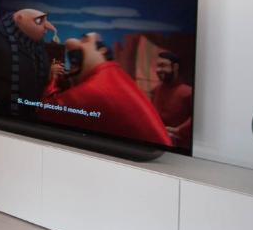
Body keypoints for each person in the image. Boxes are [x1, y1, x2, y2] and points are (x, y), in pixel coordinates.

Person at [39, 33, 172, 147]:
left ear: (101, 51)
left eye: (85, 40)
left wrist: (53, 78)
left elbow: (44, 111)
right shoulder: (115, 75)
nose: (70, 43)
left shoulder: (96, 88)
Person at [0, 8, 58, 117]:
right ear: (19, 19)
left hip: (32, 115)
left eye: (45, 20)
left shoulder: (37, 42)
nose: (47, 26)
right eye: (38, 21)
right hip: (2, 114)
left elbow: (37, 76)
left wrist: (50, 72)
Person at [151, 51, 193, 144]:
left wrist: (178, 130)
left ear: (175, 67)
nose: (158, 70)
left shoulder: (188, 92)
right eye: (157, 66)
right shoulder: (156, 90)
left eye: (162, 65)